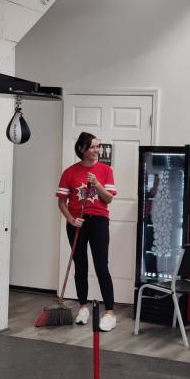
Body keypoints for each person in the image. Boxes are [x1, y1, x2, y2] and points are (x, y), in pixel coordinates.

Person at [56, 132, 117, 331]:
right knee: (80, 266)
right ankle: (83, 307)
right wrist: (71, 220)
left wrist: (97, 184)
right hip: (77, 224)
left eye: (98, 147)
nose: (96, 151)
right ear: (82, 149)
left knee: (101, 266)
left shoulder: (105, 170)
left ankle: (110, 313)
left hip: (98, 222)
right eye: (92, 147)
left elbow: (108, 199)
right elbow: (61, 202)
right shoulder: (70, 172)